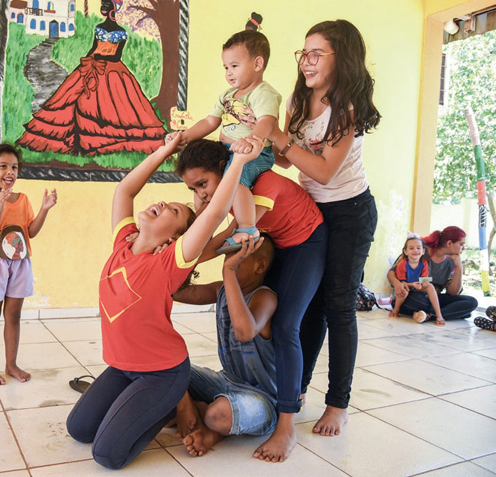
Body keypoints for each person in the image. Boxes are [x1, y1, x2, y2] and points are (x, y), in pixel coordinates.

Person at [65, 134, 265, 470]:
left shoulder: (168, 262)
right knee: (79, 429)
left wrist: (240, 163)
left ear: (175, 238)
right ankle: (167, 406)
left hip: (161, 373)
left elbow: (214, 212)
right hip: (123, 366)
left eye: (173, 210)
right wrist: (164, 150)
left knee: (107, 455)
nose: (161, 203)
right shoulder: (122, 244)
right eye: (167, 201)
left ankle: (167, 406)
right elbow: (124, 190)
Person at [247, 19, 381, 438]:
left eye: (316, 53)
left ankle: (338, 403)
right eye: (303, 53)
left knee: (338, 306)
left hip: (350, 213)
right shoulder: (299, 99)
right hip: (313, 214)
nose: (306, 62)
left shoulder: (348, 109)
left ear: (343, 58)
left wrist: (279, 137)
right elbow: (288, 161)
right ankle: (297, 387)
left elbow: (323, 171)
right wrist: (259, 130)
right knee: (310, 306)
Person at [176, 138, 327, 462]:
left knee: (285, 326)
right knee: (170, 371)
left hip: (305, 241)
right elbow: (222, 243)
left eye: (202, 183)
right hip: (270, 243)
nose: (199, 194)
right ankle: (209, 413)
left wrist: (191, 259)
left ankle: (285, 424)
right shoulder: (233, 194)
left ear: (224, 169)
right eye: (193, 189)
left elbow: (228, 243)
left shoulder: (258, 187)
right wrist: (175, 264)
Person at [170, 28, 281, 252]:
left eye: (234, 66)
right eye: (226, 68)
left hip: (253, 152)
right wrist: (184, 137)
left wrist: (253, 139)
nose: (229, 73)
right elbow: (210, 122)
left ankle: (247, 228)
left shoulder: (262, 93)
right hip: (227, 150)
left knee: (236, 182)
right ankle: (199, 226)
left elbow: (267, 121)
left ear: (257, 64)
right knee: (201, 182)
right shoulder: (227, 95)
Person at [18, 0, 165, 156]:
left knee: (116, 105)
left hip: (112, 70)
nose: (103, 5)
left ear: (114, 8)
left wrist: (100, 60)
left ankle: (104, 139)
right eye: (103, 3)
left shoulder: (121, 32)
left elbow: (117, 55)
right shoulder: (99, 28)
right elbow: (94, 48)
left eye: (107, 3)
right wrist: (87, 63)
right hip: (93, 64)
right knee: (72, 98)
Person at [171, 237, 278, 457]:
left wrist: (229, 271)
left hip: (262, 399)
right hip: (225, 381)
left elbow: (244, 331)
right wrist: (191, 249)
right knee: (168, 373)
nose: (227, 261)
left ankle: (208, 421)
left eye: (238, 257)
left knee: (217, 415)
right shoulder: (221, 290)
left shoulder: (265, 297)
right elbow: (176, 291)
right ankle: (199, 412)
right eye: (228, 256)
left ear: (260, 266)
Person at [0, 143, 57, 386]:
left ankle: (11, 363)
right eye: (3, 166)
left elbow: (30, 232)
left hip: (20, 264)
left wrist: (44, 210)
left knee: (13, 315)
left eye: (14, 167)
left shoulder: (22, 200)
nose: (10, 172)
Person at [388, 226, 477, 321]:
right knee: (421, 302)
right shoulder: (420, 249)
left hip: (434, 298)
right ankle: (446, 313)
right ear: (449, 243)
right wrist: (397, 284)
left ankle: (429, 315)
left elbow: (452, 293)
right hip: (411, 294)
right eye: (461, 244)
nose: (463, 248)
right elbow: (391, 272)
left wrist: (459, 267)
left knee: (471, 302)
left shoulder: (452, 261)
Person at [388, 234, 444, 325]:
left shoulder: (424, 263)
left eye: (418, 248)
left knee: (430, 286)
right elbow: (402, 282)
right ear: (405, 252)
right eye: (411, 248)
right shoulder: (402, 263)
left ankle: (439, 315)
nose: (415, 250)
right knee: (404, 290)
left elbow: (423, 279)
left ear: (423, 251)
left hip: (417, 286)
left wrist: (425, 282)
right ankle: (396, 310)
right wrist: (412, 285)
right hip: (406, 285)